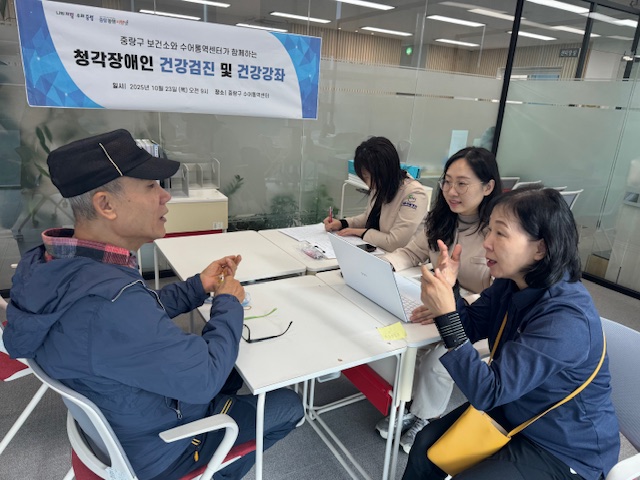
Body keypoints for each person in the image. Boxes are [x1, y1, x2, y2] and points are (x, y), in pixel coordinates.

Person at [3, 129, 304, 480]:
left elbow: (139, 312)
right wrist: (228, 301)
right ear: (106, 205)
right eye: (150, 186)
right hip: (164, 448)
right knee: (288, 405)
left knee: (236, 368)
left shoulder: (53, 266)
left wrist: (198, 286)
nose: (165, 196)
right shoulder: (110, 305)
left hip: (125, 418)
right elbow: (204, 378)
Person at [403, 186, 619, 480]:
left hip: (564, 447)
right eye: (489, 230)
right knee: (426, 447)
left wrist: (446, 314)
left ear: (540, 248)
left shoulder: (566, 320)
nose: (486, 243)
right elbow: (471, 327)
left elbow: (488, 392)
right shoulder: (512, 283)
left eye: (500, 233)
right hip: (516, 408)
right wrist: (449, 288)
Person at [376, 147, 502, 453]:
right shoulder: (441, 219)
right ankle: (407, 401)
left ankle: (426, 416)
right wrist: (381, 267)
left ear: (488, 187)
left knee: (438, 359)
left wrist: (450, 306)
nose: (451, 191)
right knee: (392, 333)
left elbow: (498, 292)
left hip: (480, 316)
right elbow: (411, 252)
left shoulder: (496, 232)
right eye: (447, 181)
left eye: (462, 183)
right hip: (440, 303)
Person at [323, 136, 429, 251]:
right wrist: (342, 223)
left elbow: (395, 242)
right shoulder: (381, 184)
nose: (368, 184)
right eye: (364, 177)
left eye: (368, 177)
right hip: (377, 250)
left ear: (385, 171)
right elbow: (368, 217)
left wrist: (361, 232)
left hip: (400, 257)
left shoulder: (414, 194)